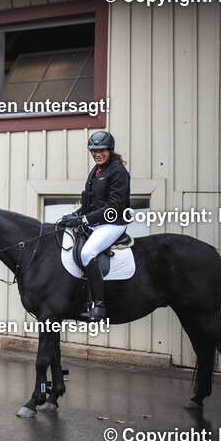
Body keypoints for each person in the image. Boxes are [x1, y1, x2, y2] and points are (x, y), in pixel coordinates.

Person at [59, 131, 130, 321]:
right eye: (93, 150)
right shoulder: (97, 170)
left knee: (87, 253)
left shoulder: (118, 172)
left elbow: (113, 207)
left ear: (110, 150)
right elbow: (91, 202)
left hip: (113, 223)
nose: (97, 154)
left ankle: (99, 306)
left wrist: (84, 220)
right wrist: (74, 215)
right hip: (97, 222)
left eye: (101, 150)